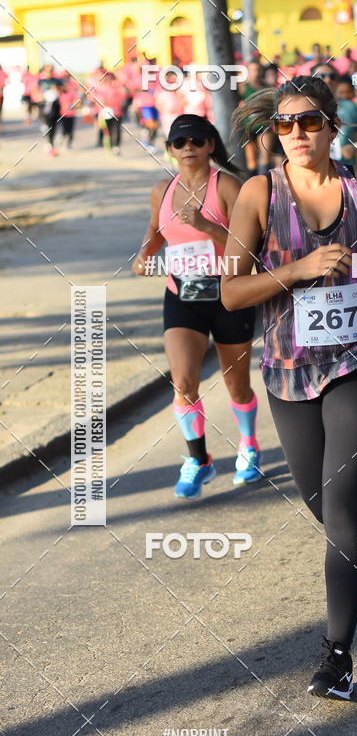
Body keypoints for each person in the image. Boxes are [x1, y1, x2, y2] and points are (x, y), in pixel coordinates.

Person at [223, 76, 357, 700]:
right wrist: (298, 269)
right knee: (329, 510)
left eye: (308, 122)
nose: (296, 135)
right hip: (289, 373)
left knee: (335, 511)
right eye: (284, 126)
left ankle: (337, 656)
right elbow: (232, 292)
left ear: (331, 125)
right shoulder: (260, 194)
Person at [133, 114, 261, 496]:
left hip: (229, 295)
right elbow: (155, 232)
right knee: (183, 381)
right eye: (178, 142)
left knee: (236, 386)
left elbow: (248, 245)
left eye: (195, 140)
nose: (187, 147)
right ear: (171, 150)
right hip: (183, 296)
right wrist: (144, 255)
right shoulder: (162, 190)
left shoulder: (228, 186)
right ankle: (198, 460)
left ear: (209, 145)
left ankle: (249, 445)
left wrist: (206, 226)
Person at [311, 64, 357, 167]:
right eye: (322, 76)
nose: (328, 79)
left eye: (332, 76)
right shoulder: (302, 108)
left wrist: (356, 147)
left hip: (345, 173)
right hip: (313, 171)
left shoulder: (350, 107)